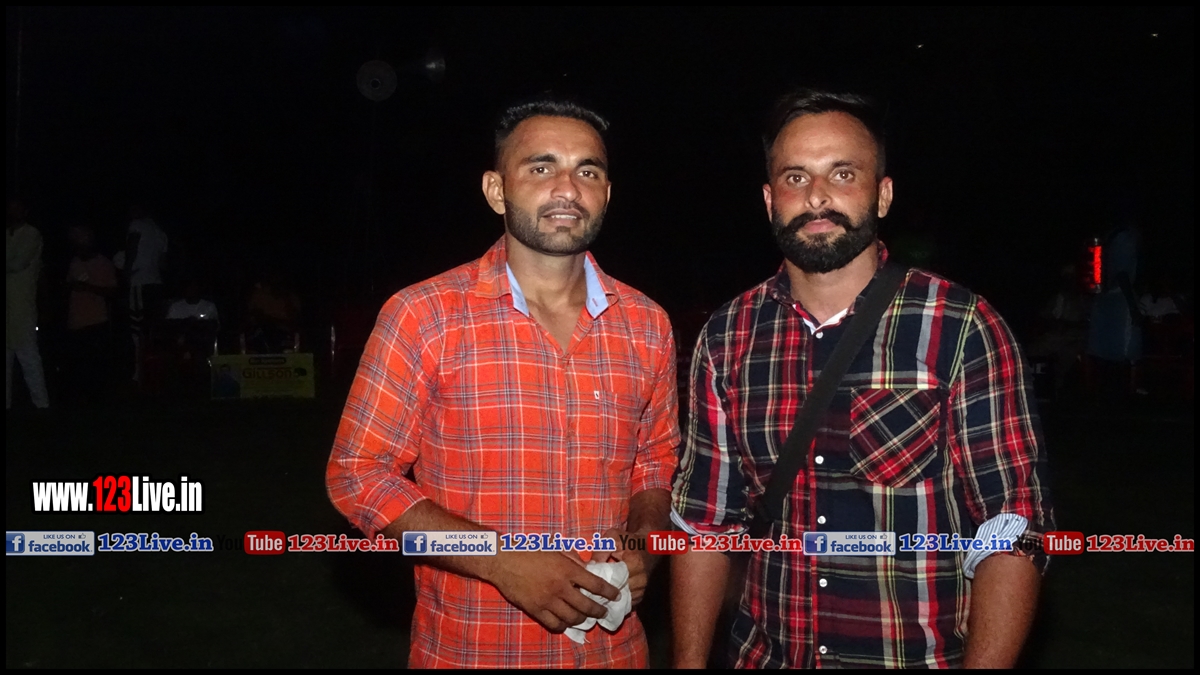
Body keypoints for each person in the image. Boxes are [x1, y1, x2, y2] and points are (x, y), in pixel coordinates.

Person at [670, 89, 1054, 669]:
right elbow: (704, 524)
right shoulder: (727, 336)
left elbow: (1013, 527)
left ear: (883, 193)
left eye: (842, 173)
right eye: (795, 178)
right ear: (770, 200)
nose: (817, 196)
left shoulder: (961, 326)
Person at [326, 98, 680, 668]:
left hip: (614, 652)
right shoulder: (424, 315)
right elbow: (358, 477)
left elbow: (656, 461)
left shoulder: (646, 324)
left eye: (587, 171)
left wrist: (643, 546)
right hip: (475, 649)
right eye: (541, 167)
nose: (567, 188)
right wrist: (500, 561)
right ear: (497, 190)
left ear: (607, 194)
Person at [64, 225, 118, 405]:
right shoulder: (75, 262)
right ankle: (80, 398)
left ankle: (98, 400)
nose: (78, 245)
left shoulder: (103, 263)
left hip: (97, 320)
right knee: (78, 363)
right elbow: (68, 284)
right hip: (76, 320)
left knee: (96, 363)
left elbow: (112, 291)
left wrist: (87, 287)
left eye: (81, 241)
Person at [6, 198, 50, 410]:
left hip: (22, 306)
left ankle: (41, 404)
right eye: (10, 208)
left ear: (25, 211)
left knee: (28, 356)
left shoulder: (32, 234)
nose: (13, 212)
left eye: (17, 208)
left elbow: (19, 262)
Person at [121, 203, 169, 384]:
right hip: (156, 283)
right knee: (152, 328)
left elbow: (132, 247)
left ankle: (139, 372)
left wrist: (126, 272)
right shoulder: (161, 233)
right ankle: (154, 371)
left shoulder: (136, 225)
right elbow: (163, 263)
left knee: (137, 329)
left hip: (139, 281)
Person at [243, 270, 301, 353]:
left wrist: (275, 320)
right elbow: (253, 316)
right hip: (261, 333)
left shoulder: (290, 298)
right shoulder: (258, 296)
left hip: (284, 333)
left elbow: (294, 317)